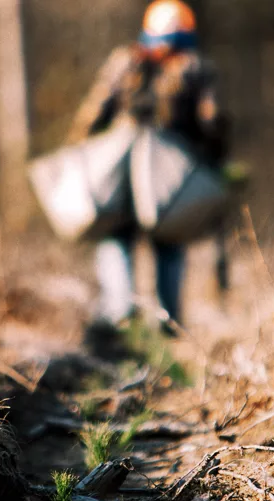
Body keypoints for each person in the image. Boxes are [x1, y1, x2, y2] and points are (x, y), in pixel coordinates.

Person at [67, 0, 232, 341]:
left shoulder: (125, 61)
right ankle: (169, 323)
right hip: (170, 172)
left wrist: (79, 151)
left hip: (120, 168)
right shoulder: (196, 68)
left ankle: (120, 313)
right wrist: (215, 160)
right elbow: (211, 121)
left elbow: (94, 111)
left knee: (116, 235)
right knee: (169, 241)